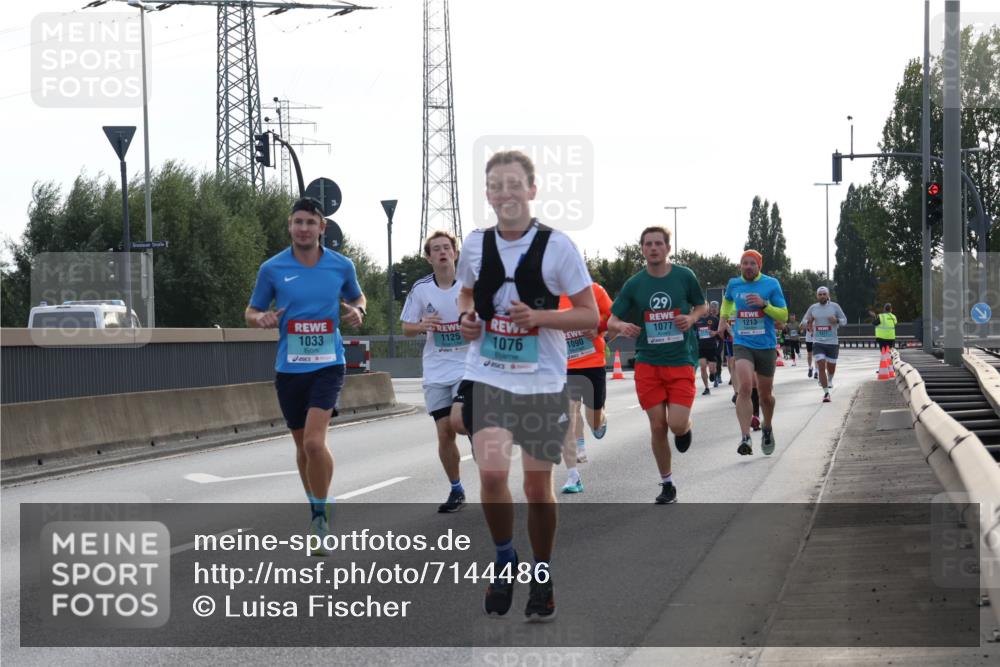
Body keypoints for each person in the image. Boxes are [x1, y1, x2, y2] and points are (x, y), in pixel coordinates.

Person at [456, 150, 598, 622]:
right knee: (493, 476)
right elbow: (465, 291)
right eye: (496, 186)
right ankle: (503, 556)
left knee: (538, 489)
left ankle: (542, 573)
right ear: (487, 194)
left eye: (514, 184)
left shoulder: (558, 247)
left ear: (532, 191)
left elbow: (589, 315)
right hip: (487, 376)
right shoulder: (474, 244)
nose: (506, 193)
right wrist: (467, 318)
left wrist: (539, 317)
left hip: (541, 382)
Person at [245, 197, 366, 556]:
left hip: (329, 364)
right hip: (289, 368)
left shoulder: (341, 266)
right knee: (302, 447)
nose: (303, 228)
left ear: (322, 228)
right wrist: (260, 319)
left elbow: (359, 298)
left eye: (310, 222)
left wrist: (357, 312)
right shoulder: (272, 268)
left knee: (315, 442)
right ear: (289, 226)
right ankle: (316, 506)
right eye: (298, 222)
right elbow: (251, 310)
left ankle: (320, 516)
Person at [608, 226, 706, 504]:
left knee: (675, 424)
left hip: (680, 361)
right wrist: (622, 325)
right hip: (648, 364)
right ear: (642, 248)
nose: (653, 248)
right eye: (648, 244)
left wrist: (691, 318)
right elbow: (611, 320)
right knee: (657, 425)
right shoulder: (635, 284)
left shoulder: (684, 276)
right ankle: (667, 484)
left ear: (667, 248)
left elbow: (701, 306)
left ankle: (685, 428)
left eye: (658, 243)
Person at [400, 230, 469, 513]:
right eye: (436, 249)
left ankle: (481, 432)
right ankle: (456, 489)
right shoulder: (421, 289)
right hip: (436, 369)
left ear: (455, 253)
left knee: (460, 421)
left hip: (467, 367)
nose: (442, 252)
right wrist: (422, 325)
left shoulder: (469, 285)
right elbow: (406, 328)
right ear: (429, 258)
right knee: (444, 433)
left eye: (446, 247)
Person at [719, 249, 787, 456]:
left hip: (766, 345)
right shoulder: (733, 284)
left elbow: (783, 314)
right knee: (745, 387)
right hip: (742, 343)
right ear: (740, 266)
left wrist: (764, 304)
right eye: (744, 263)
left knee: (766, 396)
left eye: (752, 264)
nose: (748, 267)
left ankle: (767, 427)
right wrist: (723, 319)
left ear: (759, 266)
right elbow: (727, 301)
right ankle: (745, 436)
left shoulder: (771, 284)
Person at [560, 282, 613, 493]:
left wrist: (598, 326)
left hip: (592, 363)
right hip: (564, 367)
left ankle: (600, 420)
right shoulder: (548, 294)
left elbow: (613, 316)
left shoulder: (595, 291)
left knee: (594, 419)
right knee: (567, 417)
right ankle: (573, 476)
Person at [803, 287, 848, 403]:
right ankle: (826, 393)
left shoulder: (835, 306)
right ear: (817, 296)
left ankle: (830, 379)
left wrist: (836, 320)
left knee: (831, 367)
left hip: (832, 342)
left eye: (824, 294)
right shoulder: (813, 308)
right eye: (820, 294)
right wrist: (809, 322)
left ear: (828, 295)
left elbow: (845, 321)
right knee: (821, 365)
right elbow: (803, 322)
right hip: (818, 342)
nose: (822, 296)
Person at [695, 303, 722, 396]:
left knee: (712, 369)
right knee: (702, 367)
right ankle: (706, 388)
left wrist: (715, 333)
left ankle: (713, 374)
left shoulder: (714, 319)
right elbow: (694, 332)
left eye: (705, 307)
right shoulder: (697, 320)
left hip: (712, 347)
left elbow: (720, 332)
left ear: (708, 308)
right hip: (701, 347)